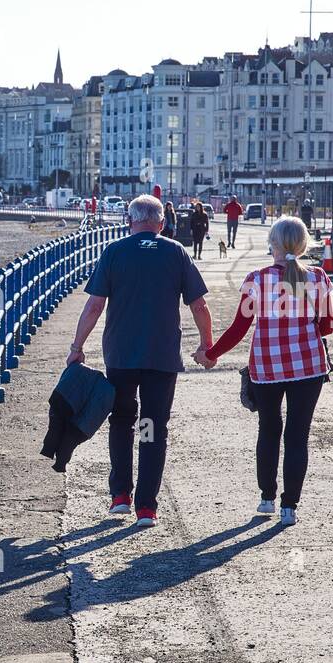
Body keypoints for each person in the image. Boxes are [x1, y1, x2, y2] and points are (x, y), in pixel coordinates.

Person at [68, 194, 213, 528]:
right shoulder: (175, 252)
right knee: (152, 428)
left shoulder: (115, 252)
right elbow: (200, 306)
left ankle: (120, 496)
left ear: (129, 221)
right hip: (161, 356)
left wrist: (77, 346)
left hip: (120, 354)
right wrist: (207, 346)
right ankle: (146, 508)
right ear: (161, 224)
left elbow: (94, 306)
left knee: (121, 421)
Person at [197, 216, 333, 527]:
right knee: (298, 436)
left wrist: (210, 354)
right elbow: (326, 326)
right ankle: (290, 507)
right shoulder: (319, 278)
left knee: (269, 430)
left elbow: (238, 329)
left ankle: (267, 498)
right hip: (308, 367)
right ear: (302, 245)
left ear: (272, 244)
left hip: (267, 368)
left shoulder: (256, 280)